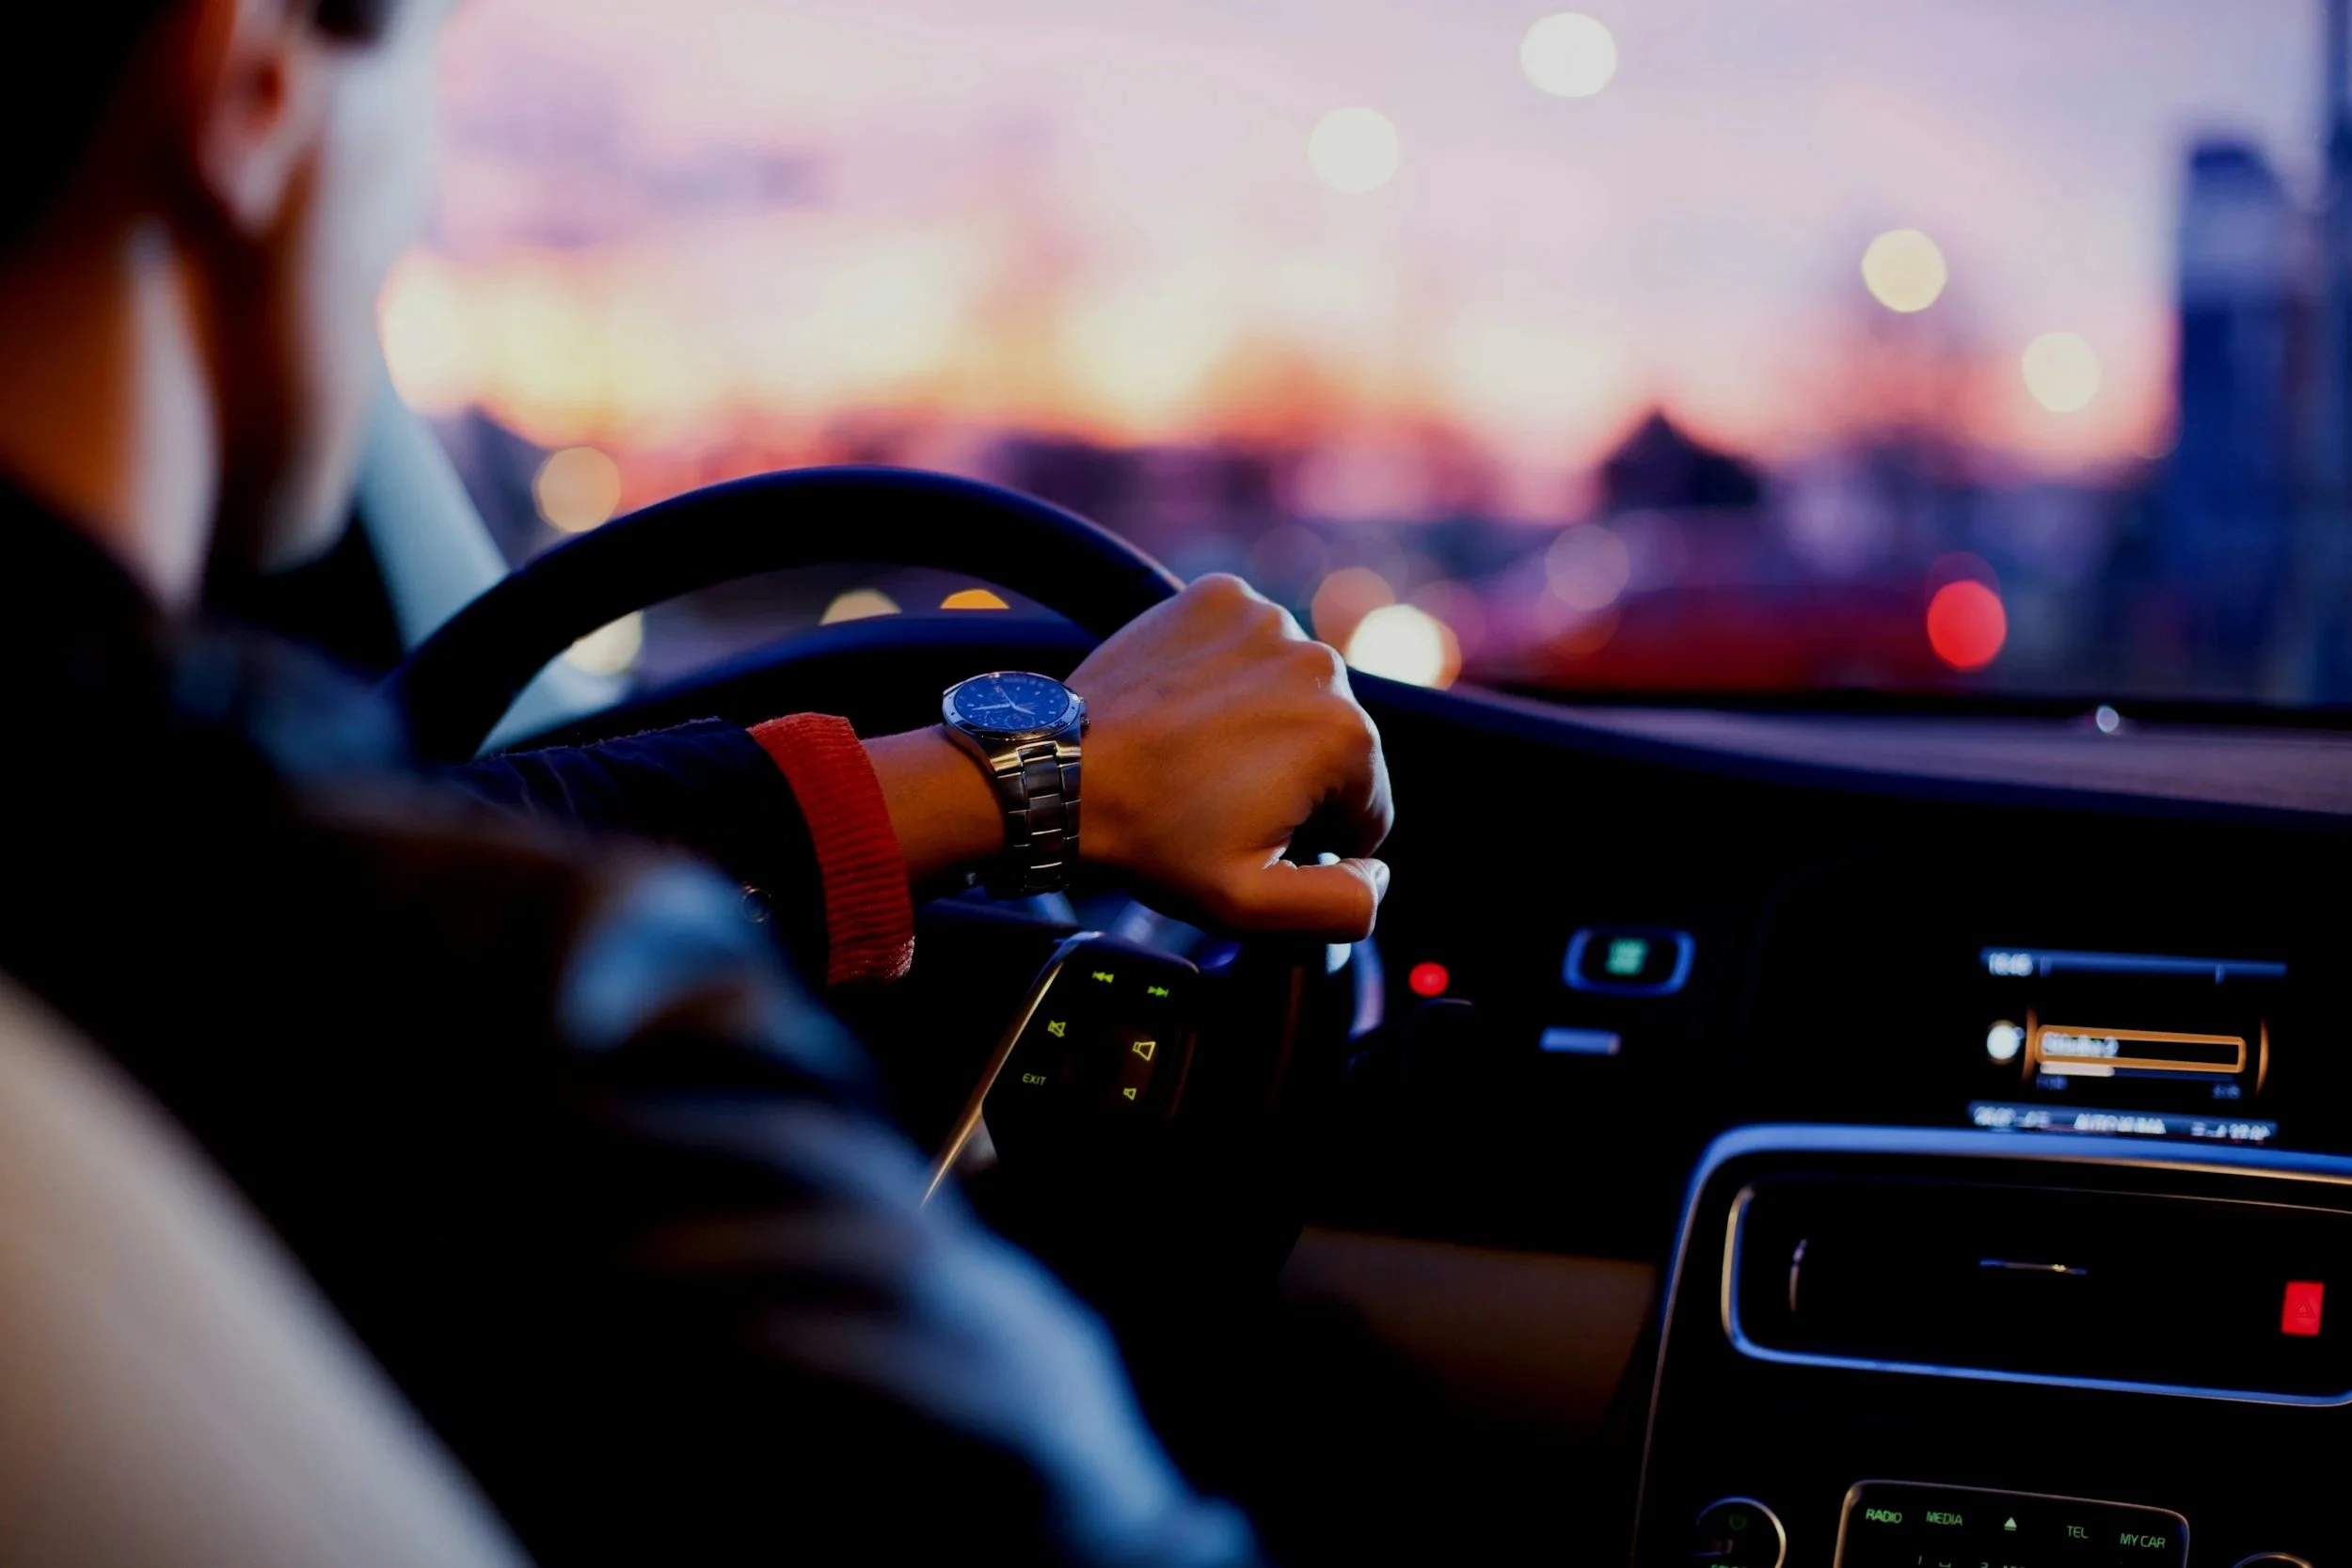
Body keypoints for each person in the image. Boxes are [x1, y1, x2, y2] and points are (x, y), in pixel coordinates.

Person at [0, 0, 1394, 1562]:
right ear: (254, 83)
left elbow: (400, 836)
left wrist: (1029, 783)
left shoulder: (152, 872)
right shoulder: (522, 1032)